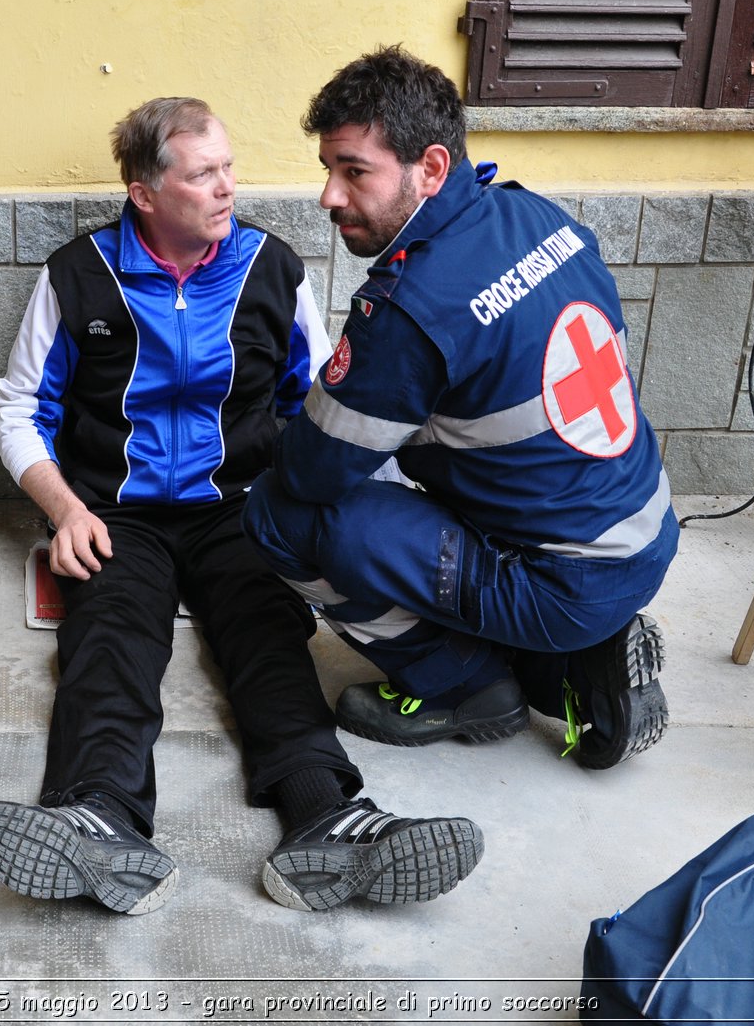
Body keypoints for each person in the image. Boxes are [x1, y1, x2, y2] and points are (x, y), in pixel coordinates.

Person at [0, 96, 482, 915]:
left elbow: (326, 402)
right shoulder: (77, 276)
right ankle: (96, 815)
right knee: (108, 640)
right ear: (145, 190)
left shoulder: (271, 269)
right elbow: (17, 408)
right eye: (204, 173)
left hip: (240, 504)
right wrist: (66, 510)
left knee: (269, 635)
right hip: (116, 512)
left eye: (229, 168)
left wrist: (319, 514)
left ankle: (329, 815)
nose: (226, 188)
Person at [244, 47, 676, 770]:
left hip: (562, 577)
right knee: (432, 471)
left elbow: (314, 472)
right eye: (329, 169)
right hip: (645, 532)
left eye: (354, 170)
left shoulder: (411, 311)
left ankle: (464, 682)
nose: (329, 196)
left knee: (279, 514)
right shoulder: (534, 214)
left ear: (432, 168)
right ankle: (572, 658)